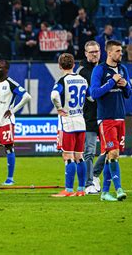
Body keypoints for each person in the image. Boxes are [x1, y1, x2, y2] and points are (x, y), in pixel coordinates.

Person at [90, 40, 132, 202]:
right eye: (117, 51)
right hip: (106, 118)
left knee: (111, 155)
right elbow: (94, 93)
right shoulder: (99, 70)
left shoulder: (123, 69)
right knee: (113, 153)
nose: (120, 53)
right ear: (109, 53)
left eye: (121, 51)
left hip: (120, 116)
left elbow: (128, 93)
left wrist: (126, 84)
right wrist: (112, 82)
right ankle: (119, 188)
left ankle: (105, 192)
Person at [51, 53, 88, 197]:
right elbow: (90, 96)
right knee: (80, 155)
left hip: (67, 122)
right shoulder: (83, 80)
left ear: (60, 66)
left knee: (68, 156)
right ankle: (81, 189)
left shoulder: (62, 81)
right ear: (74, 65)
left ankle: (68, 190)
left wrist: (59, 108)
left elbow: (54, 95)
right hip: (80, 120)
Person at [76, 41, 100, 195]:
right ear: (85, 53)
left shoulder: (104, 68)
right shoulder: (82, 72)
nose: (94, 54)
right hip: (89, 117)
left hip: (106, 115)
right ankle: (89, 183)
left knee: (112, 150)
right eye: (91, 52)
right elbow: (90, 96)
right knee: (89, 152)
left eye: (96, 51)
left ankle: (95, 174)